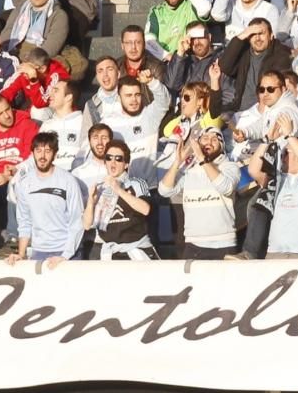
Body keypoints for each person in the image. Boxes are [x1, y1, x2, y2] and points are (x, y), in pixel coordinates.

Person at [159, 126, 239, 259]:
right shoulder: (189, 170)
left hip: (223, 243)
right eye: (205, 138)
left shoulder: (229, 167)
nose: (209, 142)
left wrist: (201, 158)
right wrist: (177, 163)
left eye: (214, 139)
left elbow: (225, 187)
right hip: (193, 244)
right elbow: (164, 190)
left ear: (222, 146)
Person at [8, 132, 85, 265]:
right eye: (38, 151)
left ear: (55, 155)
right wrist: (21, 253)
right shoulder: (24, 183)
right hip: (38, 252)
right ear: (32, 154)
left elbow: (77, 221)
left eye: (47, 151)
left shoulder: (68, 181)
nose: (42, 156)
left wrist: (65, 256)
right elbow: (24, 221)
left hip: (67, 253)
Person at [82, 139, 157, 260]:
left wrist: (118, 190)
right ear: (104, 162)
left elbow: (146, 209)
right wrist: (91, 201)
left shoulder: (137, 183)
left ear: (126, 164)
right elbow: (86, 225)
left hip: (136, 249)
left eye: (118, 159)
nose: (113, 162)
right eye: (109, 158)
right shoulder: (100, 188)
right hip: (110, 252)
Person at [110, 72, 170, 188]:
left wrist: (151, 82)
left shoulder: (150, 115)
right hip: (121, 189)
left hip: (150, 188)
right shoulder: (109, 123)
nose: (134, 100)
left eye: (137, 94)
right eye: (128, 95)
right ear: (119, 97)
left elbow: (164, 101)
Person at [218, 18, 291, 112]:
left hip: (265, 111)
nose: (257, 38)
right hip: (238, 110)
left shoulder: (280, 54)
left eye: (261, 33)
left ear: (271, 35)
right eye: (252, 34)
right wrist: (242, 35)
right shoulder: (244, 51)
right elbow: (225, 67)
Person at [144, 0, 212, 60]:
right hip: (166, 62)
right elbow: (148, 40)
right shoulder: (156, 12)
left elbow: (206, 8)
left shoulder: (192, 6)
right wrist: (169, 57)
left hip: (192, 62)